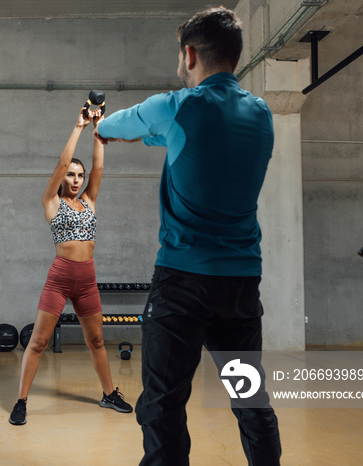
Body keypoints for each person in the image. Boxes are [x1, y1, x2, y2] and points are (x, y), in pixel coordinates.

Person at [94, 7, 281, 466]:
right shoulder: (261, 116)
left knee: (162, 404)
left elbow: (110, 126)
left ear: (190, 54)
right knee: (250, 399)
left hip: (183, 283)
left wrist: (112, 129)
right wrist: (151, 137)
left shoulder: (178, 105)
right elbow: (191, 144)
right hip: (239, 285)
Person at [9, 105, 133, 426]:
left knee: (97, 341)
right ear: (62, 178)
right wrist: (79, 126)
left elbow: (99, 166)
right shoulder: (51, 201)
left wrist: (99, 129)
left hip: (87, 280)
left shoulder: (89, 199)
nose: (76, 179)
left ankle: (108, 394)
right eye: (71, 175)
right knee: (38, 342)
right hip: (60, 279)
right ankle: (21, 400)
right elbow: (64, 161)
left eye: (79, 175)